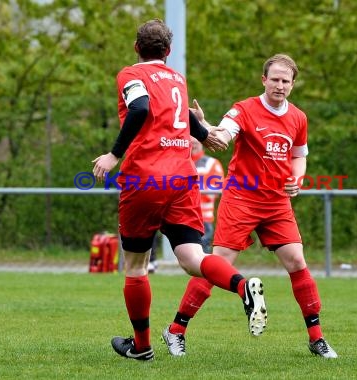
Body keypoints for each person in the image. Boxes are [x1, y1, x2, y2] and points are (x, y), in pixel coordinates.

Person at [91, 19, 266, 361]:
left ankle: (141, 347)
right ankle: (243, 286)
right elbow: (180, 113)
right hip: (182, 177)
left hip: (146, 177)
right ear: (168, 52)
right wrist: (204, 134)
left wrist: (114, 154)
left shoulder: (131, 74)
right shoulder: (177, 79)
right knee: (193, 258)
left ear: (136, 48)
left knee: (137, 266)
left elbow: (141, 107)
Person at [161, 54, 338, 359]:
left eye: (286, 81)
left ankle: (317, 338)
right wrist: (204, 126)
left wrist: (297, 178)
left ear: (293, 84)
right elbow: (224, 134)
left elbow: (299, 155)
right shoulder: (244, 109)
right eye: (275, 80)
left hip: (276, 202)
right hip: (241, 198)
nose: (279, 86)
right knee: (218, 264)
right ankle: (175, 330)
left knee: (297, 260)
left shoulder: (298, 118)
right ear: (264, 80)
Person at [191, 136, 224, 253]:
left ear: (202, 143)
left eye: (196, 142)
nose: (193, 145)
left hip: (204, 216)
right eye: (191, 142)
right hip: (183, 216)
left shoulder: (212, 163)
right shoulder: (181, 162)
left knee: (203, 252)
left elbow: (219, 189)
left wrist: (193, 189)